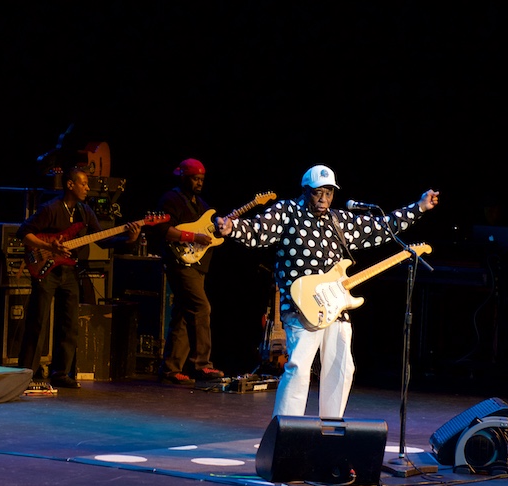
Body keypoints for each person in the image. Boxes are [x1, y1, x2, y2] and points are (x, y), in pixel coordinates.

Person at [217, 164, 439, 418]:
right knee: (299, 369)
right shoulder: (287, 212)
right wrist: (233, 229)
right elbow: (258, 230)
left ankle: (330, 426)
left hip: (336, 308)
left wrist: (419, 207)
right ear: (305, 191)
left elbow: (381, 228)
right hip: (302, 307)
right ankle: (285, 430)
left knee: (342, 368)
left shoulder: (338, 220)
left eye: (329, 193)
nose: (323, 199)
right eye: (317, 193)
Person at [17, 166, 141, 389]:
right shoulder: (50, 208)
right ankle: (26, 373)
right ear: (70, 184)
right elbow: (23, 232)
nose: (87, 187)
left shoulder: (85, 212)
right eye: (83, 183)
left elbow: (101, 240)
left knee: (69, 322)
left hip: (69, 270)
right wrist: (48, 247)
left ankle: (60, 372)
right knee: (38, 320)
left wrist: (129, 240)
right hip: (46, 269)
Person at [152, 158, 225, 385]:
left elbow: (209, 234)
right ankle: (201, 365)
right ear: (183, 177)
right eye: (195, 178)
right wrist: (193, 237)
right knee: (201, 307)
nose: (199, 183)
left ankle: (170, 369)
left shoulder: (201, 205)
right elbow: (162, 229)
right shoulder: (170, 199)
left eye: (202, 179)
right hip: (179, 262)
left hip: (197, 264)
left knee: (184, 314)